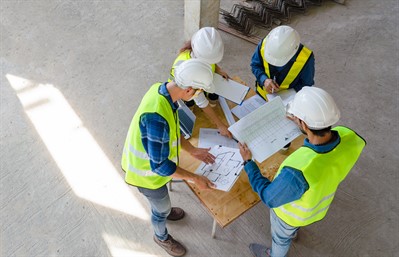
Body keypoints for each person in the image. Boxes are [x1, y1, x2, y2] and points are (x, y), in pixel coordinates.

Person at [238, 87, 366, 257]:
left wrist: (248, 163)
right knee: (291, 229)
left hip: (290, 216)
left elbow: (269, 197)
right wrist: (301, 125)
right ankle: (293, 231)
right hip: (316, 206)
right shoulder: (349, 137)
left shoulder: (299, 170)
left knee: (281, 239)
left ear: (304, 124)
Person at [121, 59, 218, 257]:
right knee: (160, 209)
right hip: (147, 177)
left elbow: (172, 130)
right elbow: (160, 166)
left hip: (154, 169)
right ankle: (161, 236)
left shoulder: (164, 91)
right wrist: (195, 178)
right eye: (199, 92)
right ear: (190, 90)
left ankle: (164, 209)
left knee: (163, 203)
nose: (197, 96)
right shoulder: (156, 116)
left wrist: (191, 150)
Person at [169, 26, 232, 138]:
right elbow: (201, 101)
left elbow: (212, 63)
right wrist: (220, 125)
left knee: (212, 96)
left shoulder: (202, 54)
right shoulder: (188, 72)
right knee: (191, 109)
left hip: (197, 85)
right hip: (184, 95)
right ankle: (191, 109)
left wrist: (218, 70)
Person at [251, 25, 315, 102]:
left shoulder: (305, 59)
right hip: (261, 96)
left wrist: (287, 94)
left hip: (286, 103)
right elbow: (255, 65)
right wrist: (264, 80)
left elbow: (306, 85)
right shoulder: (265, 44)